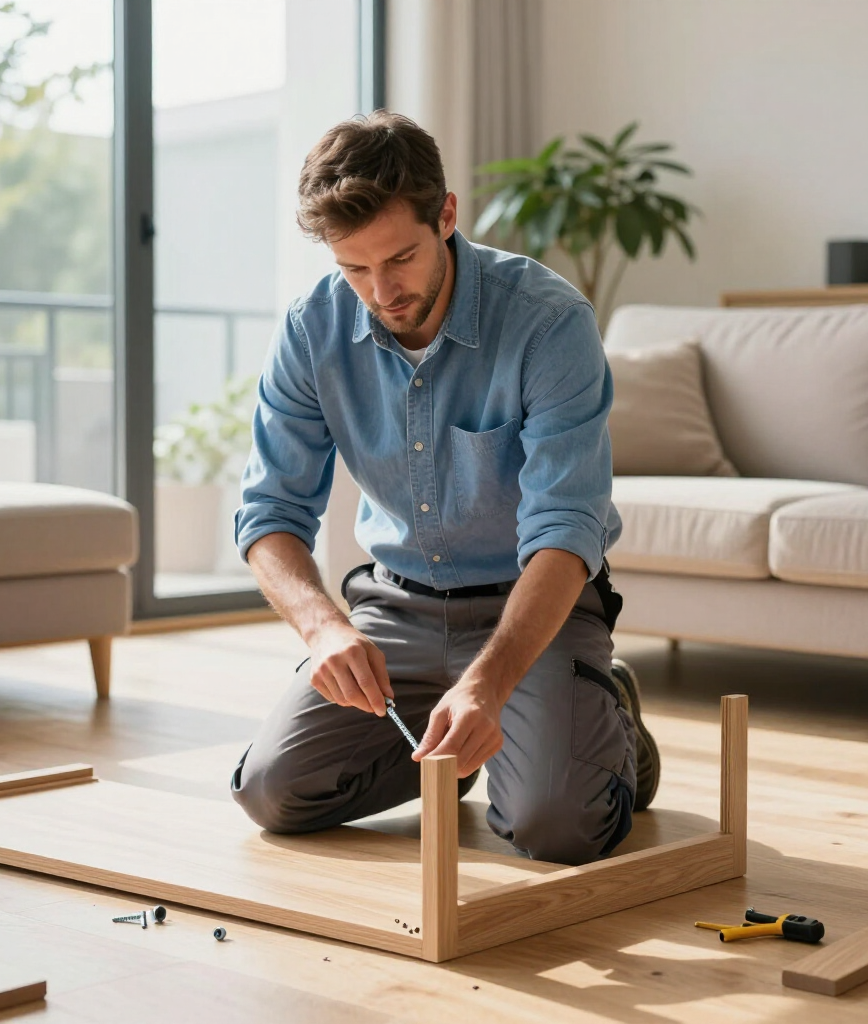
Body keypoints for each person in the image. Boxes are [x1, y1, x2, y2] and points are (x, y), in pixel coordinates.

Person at [230, 111, 659, 865]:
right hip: (397, 606)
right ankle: (491, 741)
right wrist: (323, 628)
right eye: (353, 269)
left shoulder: (549, 322)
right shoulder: (310, 329)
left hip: (534, 606)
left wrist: (491, 685)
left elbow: (566, 529)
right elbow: (268, 512)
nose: (381, 291)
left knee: (554, 826)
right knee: (275, 793)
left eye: (399, 259)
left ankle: (604, 713)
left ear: (448, 215)